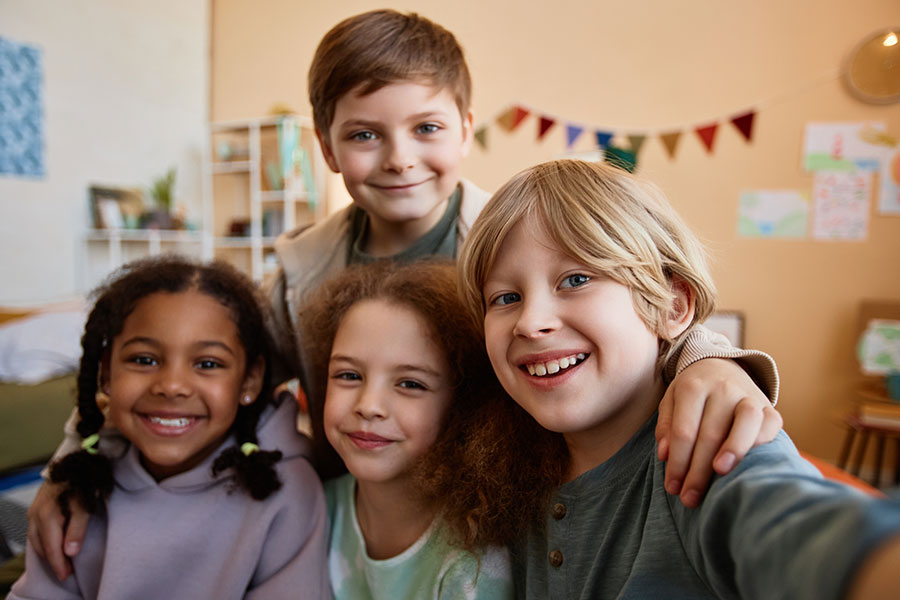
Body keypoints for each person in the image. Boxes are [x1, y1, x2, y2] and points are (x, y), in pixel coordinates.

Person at [28, 9, 781, 579]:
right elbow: (215, 361)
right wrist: (76, 462)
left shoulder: (516, 243)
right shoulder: (301, 272)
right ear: (326, 146)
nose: (398, 159)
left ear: (466, 129)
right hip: (357, 528)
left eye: (426, 127)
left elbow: (641, 309)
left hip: (492, 520)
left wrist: (712, 362)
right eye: (365, 135)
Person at [453, 158, 900, 599]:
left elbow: (806, 530)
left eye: (576, 279)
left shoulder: (710, 446)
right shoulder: (499, 455)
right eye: (505, 297)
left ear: (672, 306)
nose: (531, 323)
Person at [9, 257, 329, 599]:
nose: (172, 386)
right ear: (106, 374)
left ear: (250, 380)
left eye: (208, 364)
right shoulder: (79, 487)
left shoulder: (287, 491)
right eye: (144, 360)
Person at [301, 260, 513, 598]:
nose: (369, 405)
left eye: (410, 383)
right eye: (349, 375)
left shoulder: (473, 561)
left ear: (460, 404)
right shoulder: (310, 508)